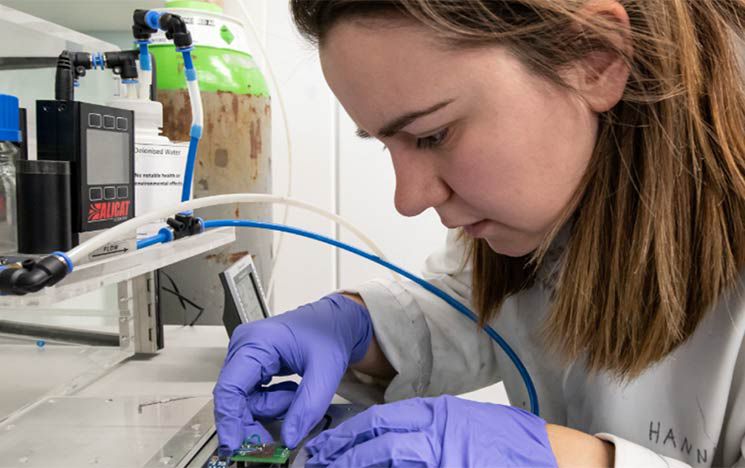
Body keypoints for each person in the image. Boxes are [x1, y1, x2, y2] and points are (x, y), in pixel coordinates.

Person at [213, 1, 745, 466]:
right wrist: (355, 330)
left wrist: (582, 461)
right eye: (384, 143)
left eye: (433, 134)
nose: (408, 199)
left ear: (594, 56)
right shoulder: (549, 201)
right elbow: (479, 306)